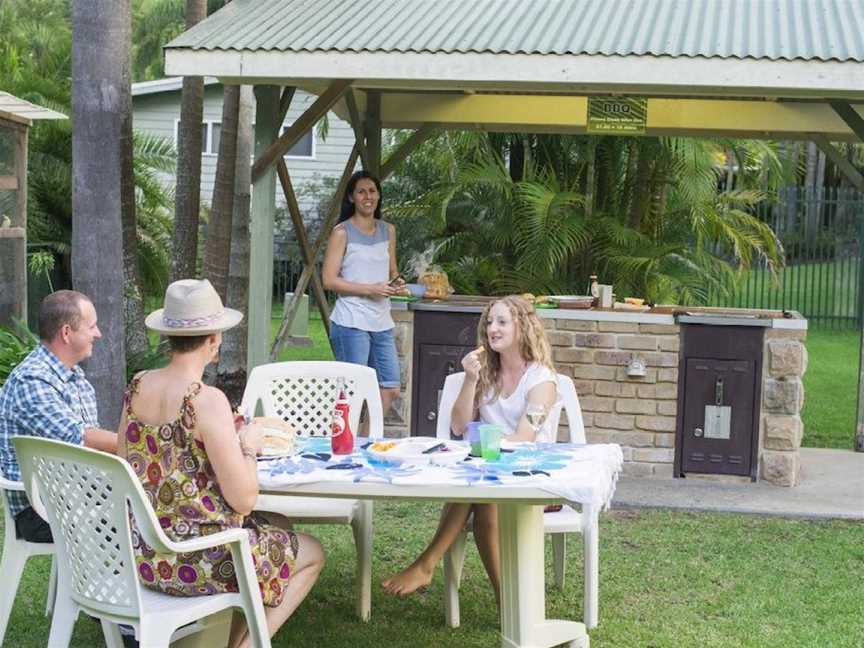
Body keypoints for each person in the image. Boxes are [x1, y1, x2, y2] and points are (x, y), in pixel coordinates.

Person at [120, 279, 324, 648]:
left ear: (169, 336)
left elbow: (127, 462)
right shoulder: (205, 399)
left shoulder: (137, 386)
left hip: (147, 558)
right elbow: (244, 500)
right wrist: (246, 445)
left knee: (278, 525)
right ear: (214, 340)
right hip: (200, 561)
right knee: (313, 552)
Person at [382, 296, 558, 603]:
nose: (492, 329)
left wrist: (484, 452)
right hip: (486, 475)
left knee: (477, 494)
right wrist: (470, 380)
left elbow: (525, 437)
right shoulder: (486, 372)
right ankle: (507, 600)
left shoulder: (541, 379)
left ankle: (427, 565)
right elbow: (460, 426)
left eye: (502, 322)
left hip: (530, 479)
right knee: (479, 495)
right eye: (490, 322)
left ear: (524, 327)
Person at [0, 290, 118, 543]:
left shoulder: (73, 376)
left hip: (74, 496)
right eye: (92, 326)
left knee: (153, 507)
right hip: (39, 511)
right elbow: (80, 438)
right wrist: (141, 445)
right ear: (66, 333)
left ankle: (105, 583)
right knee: (143, 521)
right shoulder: (33, 380)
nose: (98, 334)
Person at [322, 170, 404, 422]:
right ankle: (346, 447)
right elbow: (328, 280)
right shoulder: (342, 232)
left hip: (381, 322)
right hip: (351, 322)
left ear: (378, 195)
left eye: (372, 191)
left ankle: (364, 443)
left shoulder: (388, 230)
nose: (368, 196)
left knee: (390, 388)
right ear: (351, 197)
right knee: (352, 394)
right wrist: (371, 289)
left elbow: (392, 270)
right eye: (361, 191)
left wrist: (397, 283)